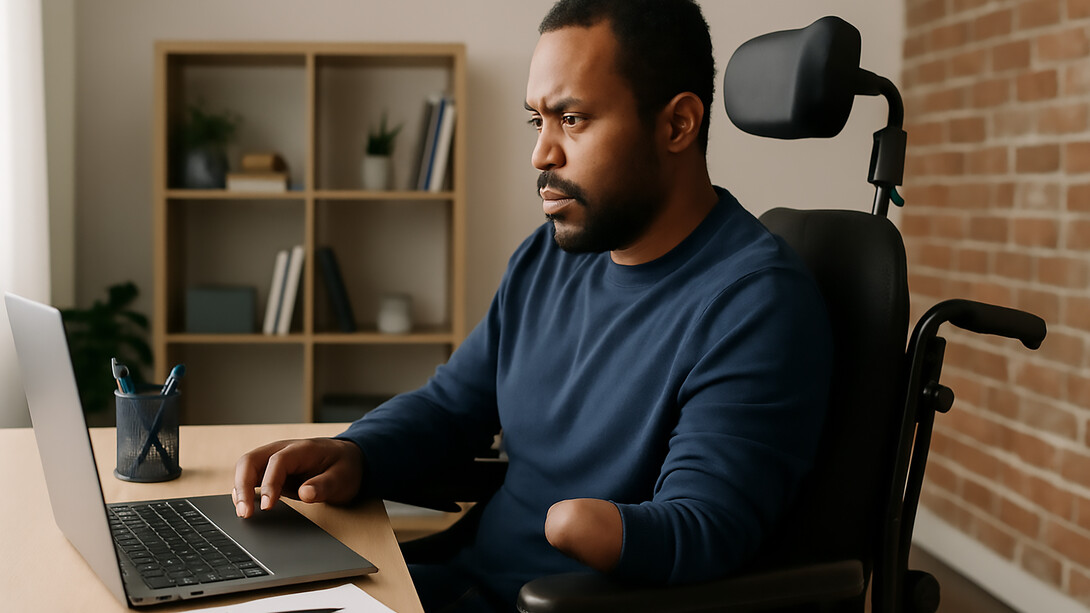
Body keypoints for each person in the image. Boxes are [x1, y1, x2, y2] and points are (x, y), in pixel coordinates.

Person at [233, 1, 833, 611]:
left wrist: (573, 526)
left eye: (572, 120)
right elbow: (451, 404)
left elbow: (703, 531)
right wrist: (356, 451)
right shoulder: (551, 256)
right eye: (536, 121)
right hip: (457, 578)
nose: (542, 155)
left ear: (677, 125)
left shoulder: (754, 304)